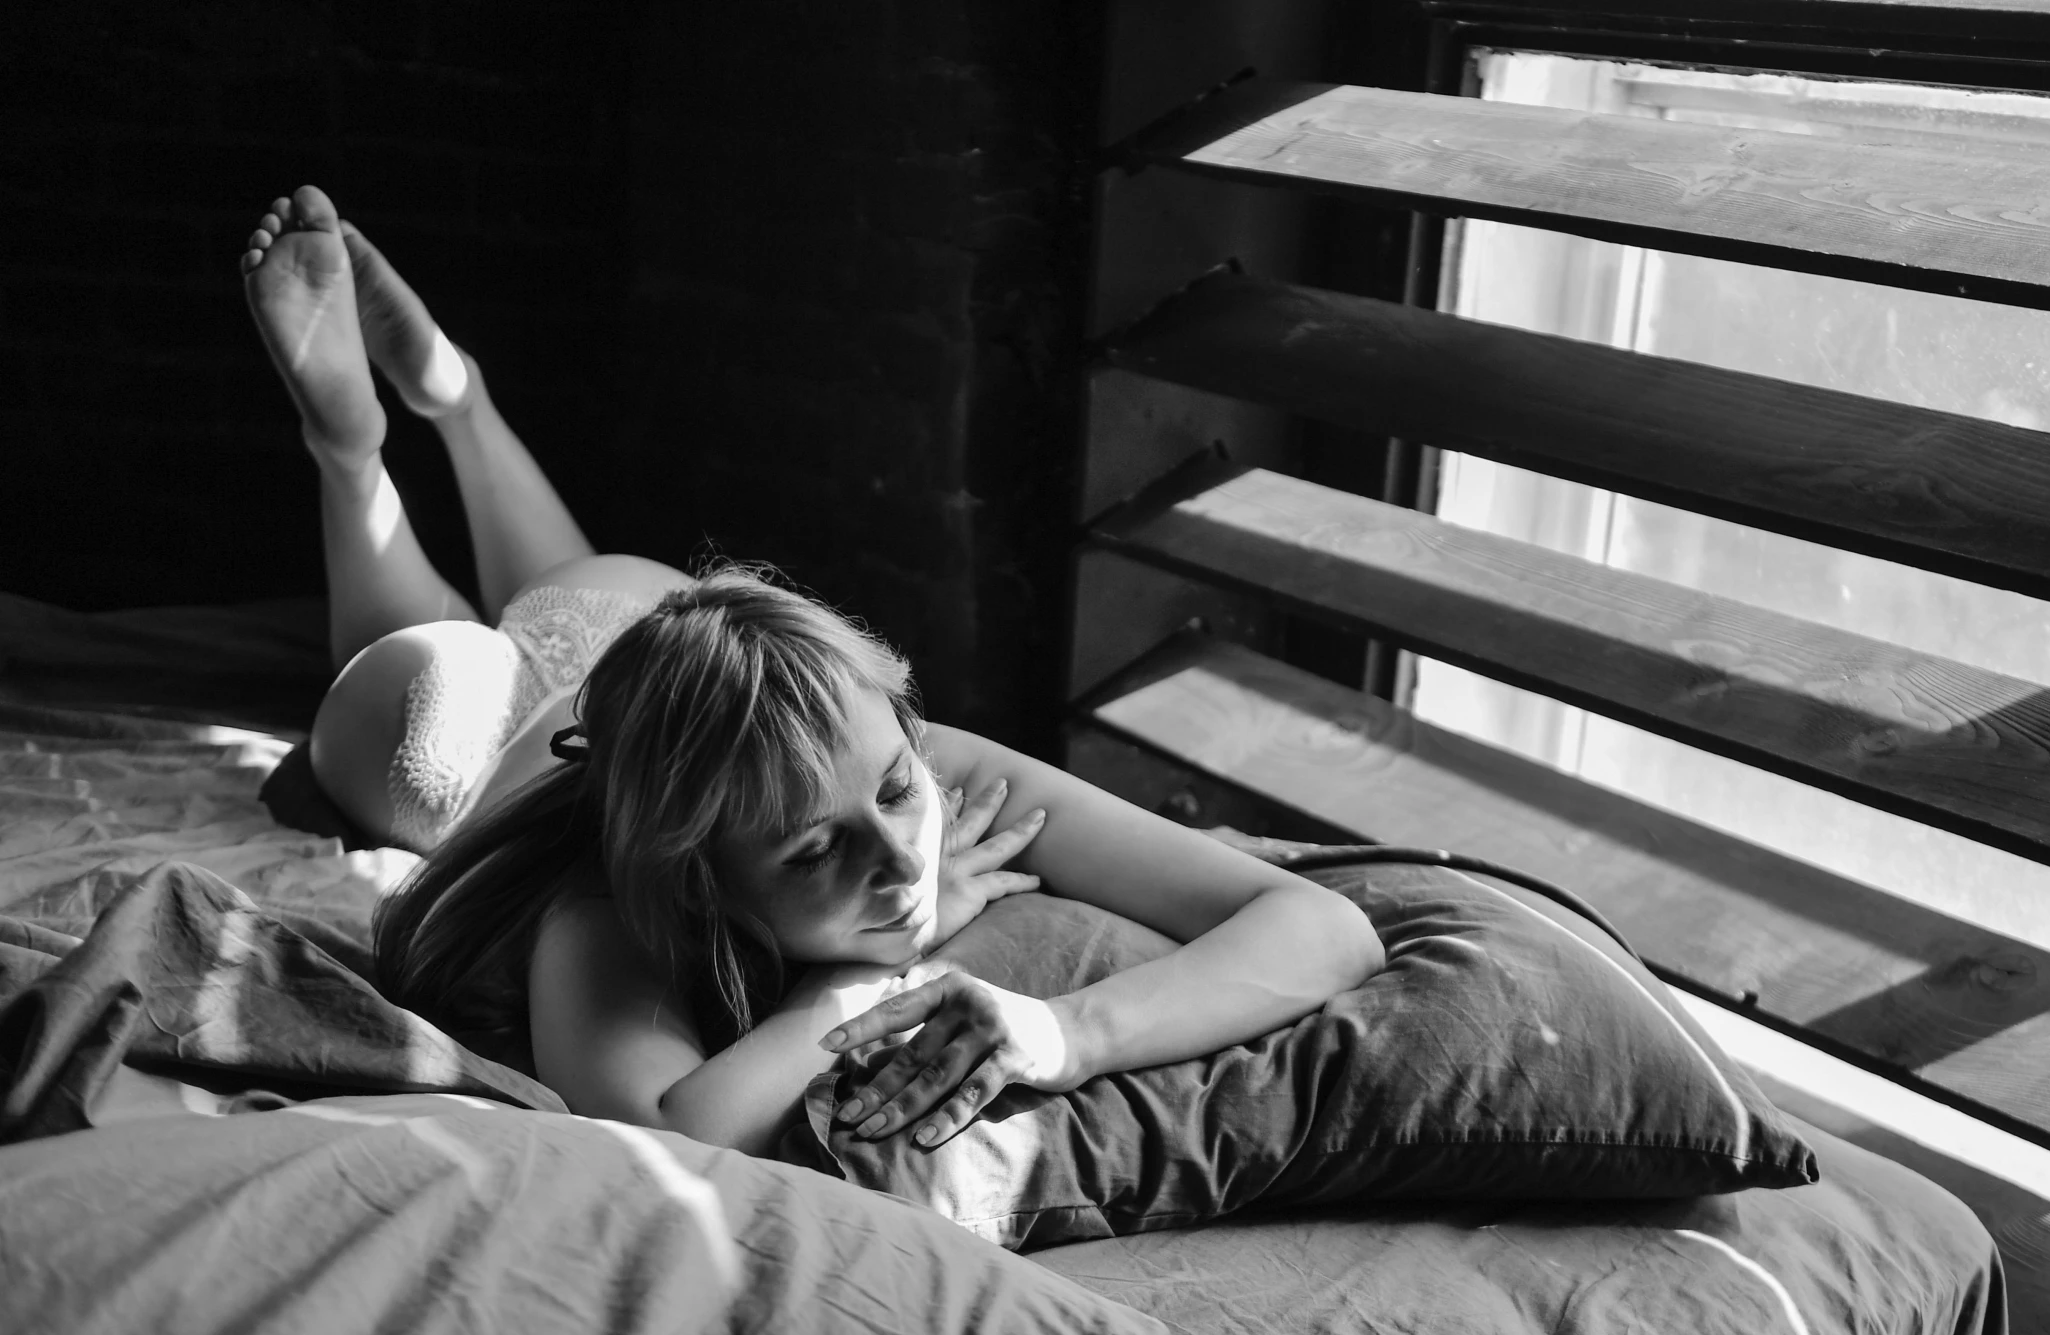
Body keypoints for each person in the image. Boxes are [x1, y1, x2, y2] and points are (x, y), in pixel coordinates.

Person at [240, 186, 1384, 1158]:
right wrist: (859, 984)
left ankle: (456, 395)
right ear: (697, 877)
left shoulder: (935, 776)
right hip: (470, 730)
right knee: (446, 682)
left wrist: (1065, 1032)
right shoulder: (605, 899)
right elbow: (667, 1128)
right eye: (810, 849)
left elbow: (1324, 927)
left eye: (888, 789)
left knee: (603, 607)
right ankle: (354, 452)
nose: (901, 859)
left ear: (897, 717)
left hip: (636, 621)